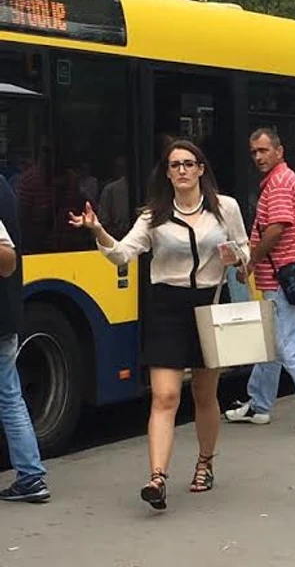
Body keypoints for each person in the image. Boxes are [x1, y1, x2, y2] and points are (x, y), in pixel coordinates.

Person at [69, 140, 249, 510]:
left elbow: (245, 252)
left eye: (188, 164)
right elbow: (122, 254)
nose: (182, 170)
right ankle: (157, 478)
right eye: (174, 165)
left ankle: (205, 463)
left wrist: (237, 256)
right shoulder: (154, 216)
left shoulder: (225, 207)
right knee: (165, 396)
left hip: (209, 304)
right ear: (166, 173)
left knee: (204, 393)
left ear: (201, 169)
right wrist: (98, 230)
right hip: (166, 308)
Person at [223, 129, 295, 429]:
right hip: (289, 275)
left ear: (279, 151)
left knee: (289, 345)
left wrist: (251, 263)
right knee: (273, 343)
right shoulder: (290, 178)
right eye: (254, 152)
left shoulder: (277, 185)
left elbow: (275, 229)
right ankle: (258, 406)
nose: (258, 157)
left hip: (278, 279)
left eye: (263, 150)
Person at [0, 174, 49, 503]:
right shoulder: (4, 186)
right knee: (9, 396)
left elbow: (7, 259)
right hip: (6, 311)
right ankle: (31, 476)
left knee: (9, 396)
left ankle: (31, 476)